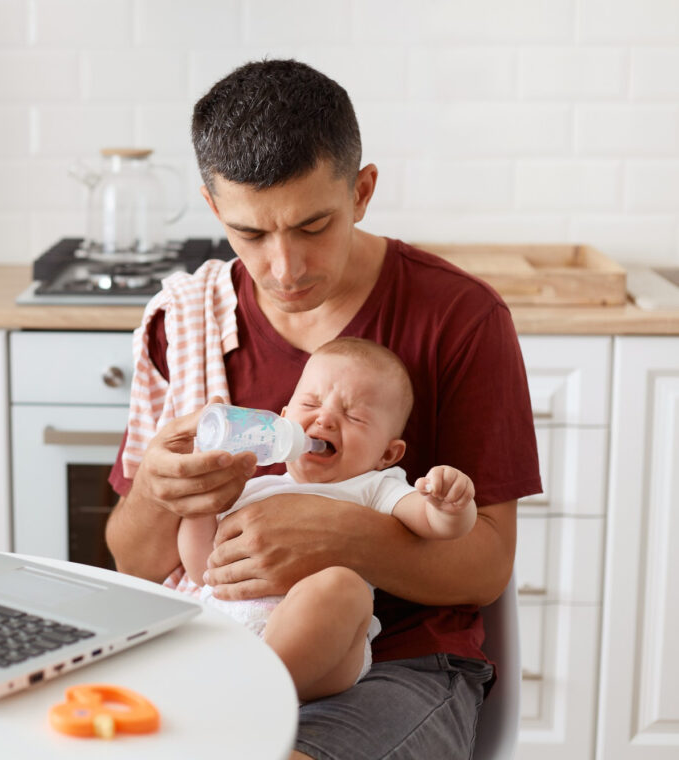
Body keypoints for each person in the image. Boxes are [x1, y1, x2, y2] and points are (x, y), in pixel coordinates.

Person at [105, 58, 542, 759]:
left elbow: (485, 565)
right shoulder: (181, 322)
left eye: (313, 226)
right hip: (209, 637)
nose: (285, 268)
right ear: (215, 208)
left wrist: (339, 538)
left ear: (362, 192)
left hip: (399, 660)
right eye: (251, 234)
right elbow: (135, 563)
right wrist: (164, 493)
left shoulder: (459, 318)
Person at [178, 338, 477, 704]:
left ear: (387, 453)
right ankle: (243, 689)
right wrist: (199, 504)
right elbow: (200, 569)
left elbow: (435, 525)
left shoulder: (373, 486)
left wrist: (450, 504)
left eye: (353, 416)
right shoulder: (251, 489)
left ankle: (255, 695)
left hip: (324, 656)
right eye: (311, 403)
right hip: (228, 632)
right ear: (282, 420)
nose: (324, 419)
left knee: (344, 587)